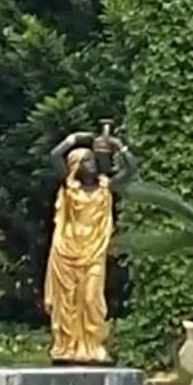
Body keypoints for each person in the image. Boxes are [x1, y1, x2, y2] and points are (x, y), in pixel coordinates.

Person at [44, 130, 137, 364]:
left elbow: (131, 170)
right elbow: (54, 156)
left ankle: (92, 345)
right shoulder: (69, 187)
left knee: (90, 299)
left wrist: (119, 146)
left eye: (92, 159)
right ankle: (67, 347)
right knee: (66, 303)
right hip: (66, 250)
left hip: (93, 251)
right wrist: (75, 139)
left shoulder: (106, 187)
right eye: (85, 161)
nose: (92, 164)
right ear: (75, 167)